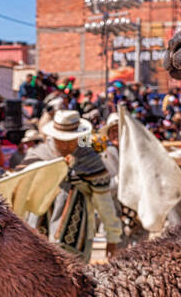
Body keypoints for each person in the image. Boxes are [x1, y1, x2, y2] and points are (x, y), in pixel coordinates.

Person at [43, 109, 123, 259]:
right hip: (42, 223)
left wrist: (112, 237)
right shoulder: (45, 152)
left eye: (69, 140)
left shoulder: (90, 160)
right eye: (60, 139)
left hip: (77, 229)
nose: (64, 144)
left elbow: (103, 201)